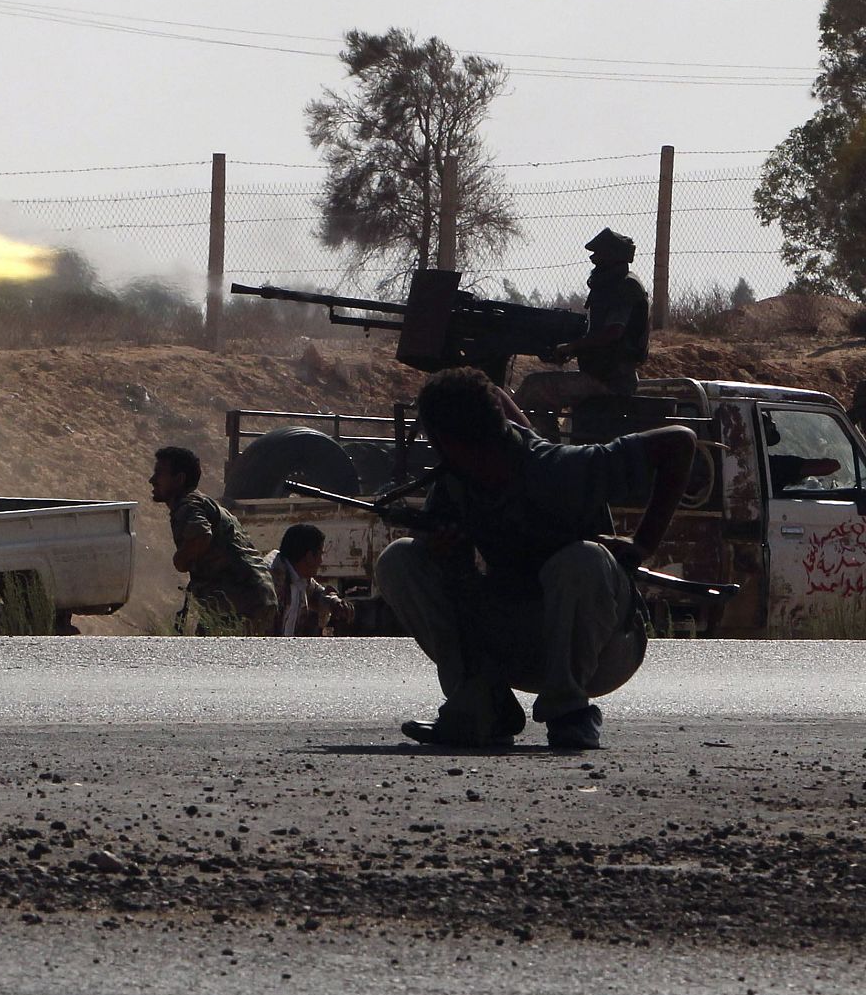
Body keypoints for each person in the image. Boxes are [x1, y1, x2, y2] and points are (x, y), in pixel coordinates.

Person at [374, 367, 696, 749]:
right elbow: (490, 391)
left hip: (602, 649)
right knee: (400, 560)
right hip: (515, 639)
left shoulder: (560, 467)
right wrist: (447, 558)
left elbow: (680, 442)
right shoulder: (455, 483)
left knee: (582, 560)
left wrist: (643, 545)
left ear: (451, 443)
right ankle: (481, 706)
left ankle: (570, 712)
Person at [515, 228, 651, 434]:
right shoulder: (615, 287)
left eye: (599, 255)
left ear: (614, 258)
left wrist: (573, 346)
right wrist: (571, 350)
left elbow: (613, 332)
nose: (593, 259)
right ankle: (546, 444)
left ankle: (543, 450)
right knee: (536, 393)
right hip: (602, 375)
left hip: (611, 381)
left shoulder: (626, 287)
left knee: (535, 387)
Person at [149, 446, 278, 635]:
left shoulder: (188, 504)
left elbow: (201, 535)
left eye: (159, 474)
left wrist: (181, 560)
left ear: (179, 479)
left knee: (213, 658)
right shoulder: (201, 502)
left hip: (240, 602)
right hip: (252, 597)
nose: (152, 480)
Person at [266, 523, 355, 636]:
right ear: (309, 557)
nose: (321, 561)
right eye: (320, 554)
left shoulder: (299, 577)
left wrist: (334, 602)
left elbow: (317, 593)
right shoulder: (270, 581)